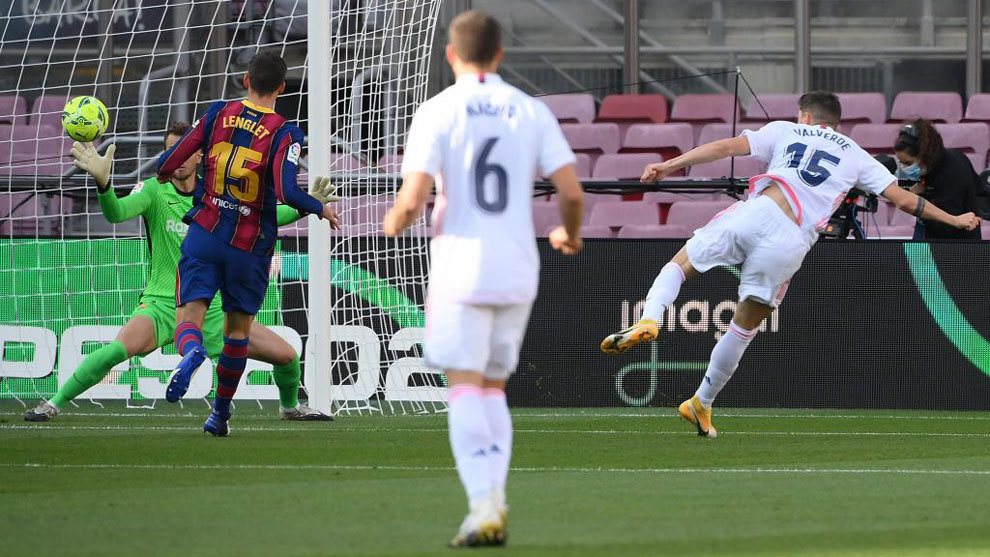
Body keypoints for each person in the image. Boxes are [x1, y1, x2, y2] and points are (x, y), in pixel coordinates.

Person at [601, 91, 980, 438]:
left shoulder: (784, 130)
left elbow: (723, 147)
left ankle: (650, 317)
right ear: (836, 122)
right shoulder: (856, 154)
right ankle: (701, 402)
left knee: (679, 266)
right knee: (743, 327)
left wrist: (670, 165)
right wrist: (955, 219)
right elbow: (906, 201)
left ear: (805, 116)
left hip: (761, 208)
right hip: (792, 239)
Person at [382, 10, 584, 547]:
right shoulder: (529, 108)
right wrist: (569, 233)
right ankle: (493, 500)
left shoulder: (437, 109)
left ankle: (482, 505)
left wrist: (396, 220)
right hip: (518, 265)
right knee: (494, 389)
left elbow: (415, 194)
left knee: (464, 387)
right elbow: (571, 192)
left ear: (451, 54)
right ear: (500, 55)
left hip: (460, 266)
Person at [25, 124, 332, 422]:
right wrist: (104, 186)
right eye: (171, 150)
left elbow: (265, 216)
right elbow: (116, 213)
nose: (177, 156)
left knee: (288, 356)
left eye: (184, 150)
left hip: (211, 311)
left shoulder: (219, 195)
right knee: (115, 351)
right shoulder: (153, 191)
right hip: (161, 304)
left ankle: (289, 408)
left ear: (199, 155)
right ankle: (52, 404)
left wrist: (307, 206)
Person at [156, 51, 341, 436]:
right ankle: (219, 415)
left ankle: (191, 353)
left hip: (205, 233)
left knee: (190, 317)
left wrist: (163, 172)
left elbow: (171, 161)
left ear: (244, 80)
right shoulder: (285, 132)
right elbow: (288, 191)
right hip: (249, 245)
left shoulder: (216, 113)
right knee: (237, 332)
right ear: (281, 88)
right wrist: (318, 208)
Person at [893, 119, 983, 240]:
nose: (905, 169)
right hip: (926, 235)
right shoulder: (930, 168)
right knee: (912, 257)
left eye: (909, 163)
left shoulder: (953, 172)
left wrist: (917, 200)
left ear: (925, 154)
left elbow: (946, 227)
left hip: (955, 247)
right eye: (901, 163)